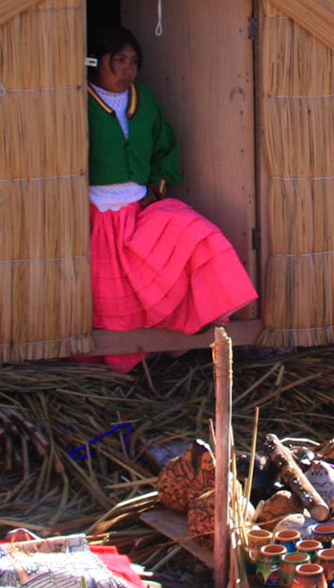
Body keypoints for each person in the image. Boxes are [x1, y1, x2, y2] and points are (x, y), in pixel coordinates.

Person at [85, 27, 257, 362]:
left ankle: (201, 320)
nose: (127, 69)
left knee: (197, 235)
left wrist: (154, 189)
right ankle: (117, 364)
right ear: (96, 62)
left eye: (134, 61)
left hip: (139, 206)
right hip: (96, 214)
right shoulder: (78, 100)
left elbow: (165, 147)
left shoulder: (144, 99)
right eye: (118, 60)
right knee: (113, 295)